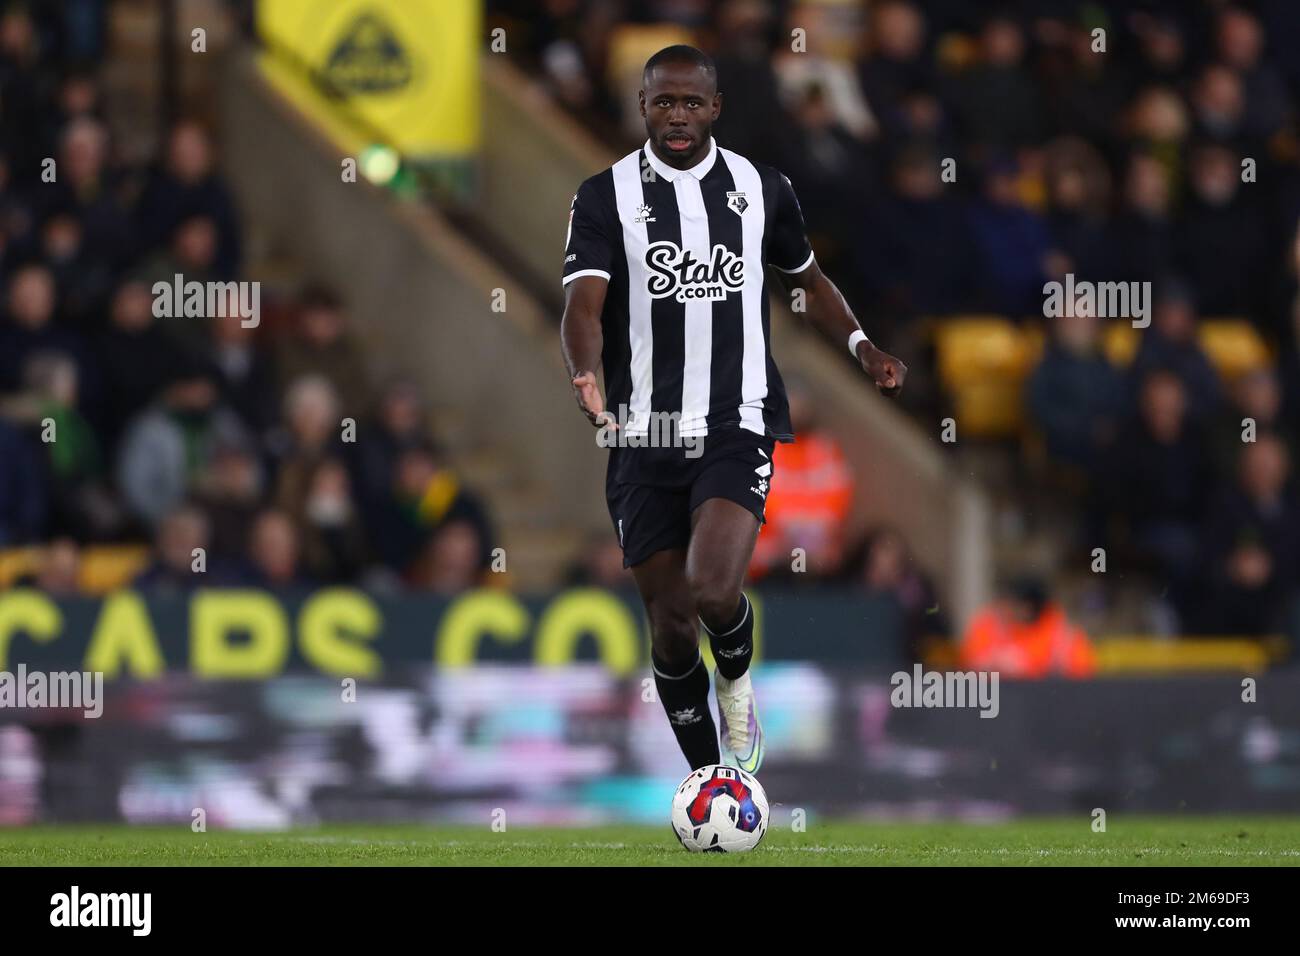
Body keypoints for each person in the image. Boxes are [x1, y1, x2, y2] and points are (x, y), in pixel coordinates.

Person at [559, 45, 906, 773]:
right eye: (663, 102)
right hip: (643, 432)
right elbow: (582, 305)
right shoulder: (603, 196)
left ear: (715, 108)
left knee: (714, 590)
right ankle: (710, 778)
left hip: (735, 421)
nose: (677, 116)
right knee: (670, 626)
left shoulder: (761, 186)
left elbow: (807, 280)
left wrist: (862, 345)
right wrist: (584, 372)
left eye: (691, 102)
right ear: (642, 107)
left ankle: (739, 687)